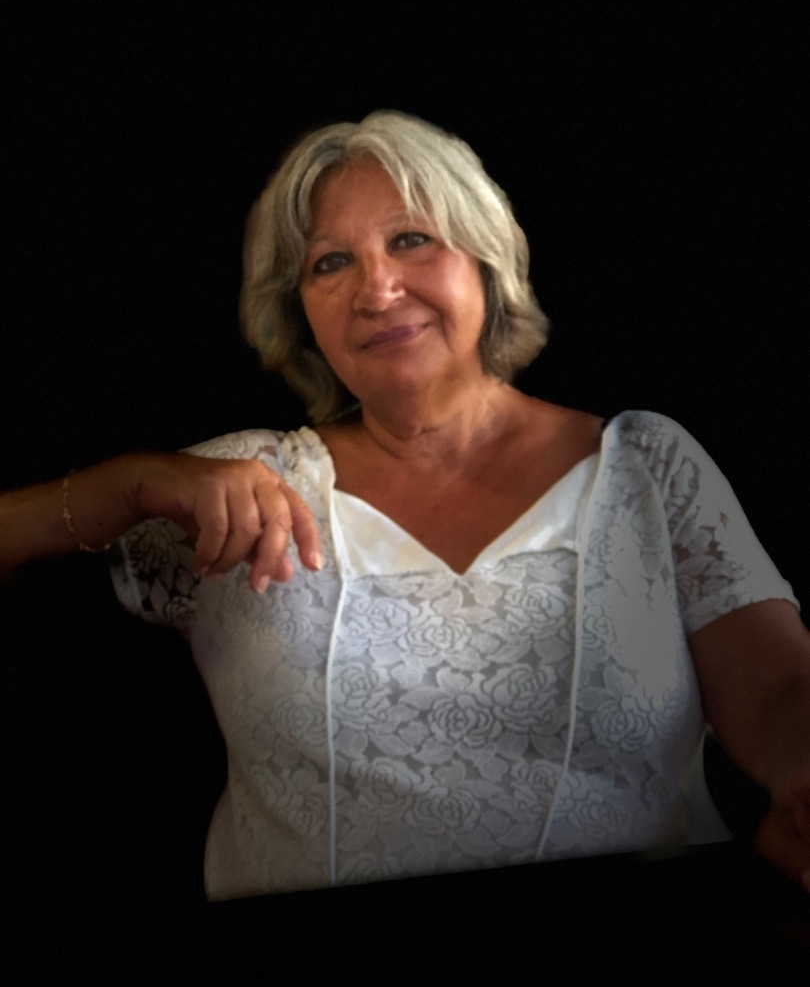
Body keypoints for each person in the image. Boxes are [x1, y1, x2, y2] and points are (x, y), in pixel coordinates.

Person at [2, 111, 809, 901]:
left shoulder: (645, 467)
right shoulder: (240, 481)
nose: (377, 290)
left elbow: (779, 690)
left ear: (485, 260)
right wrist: (131, 483)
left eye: (412, 239)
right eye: (330, 263)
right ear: (301, 311)